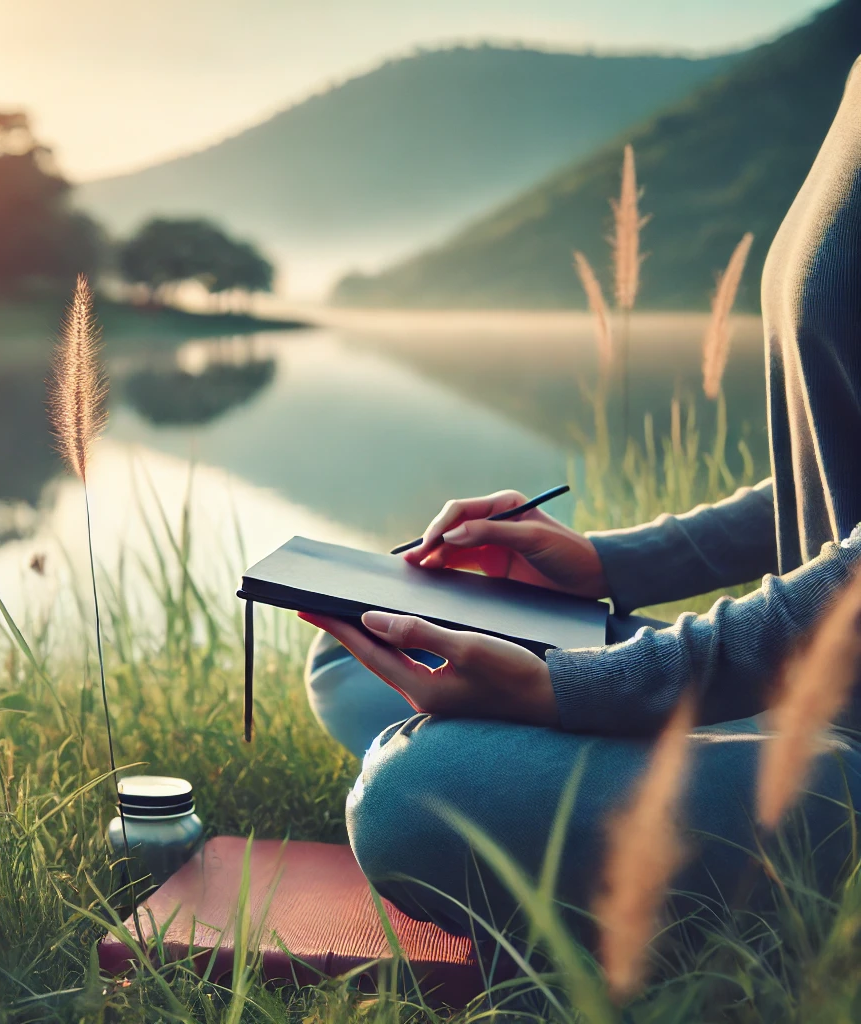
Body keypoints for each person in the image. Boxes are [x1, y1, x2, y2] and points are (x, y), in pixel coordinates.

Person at [300, 59, 861, 942]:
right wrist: (609, 562)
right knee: (351, 660)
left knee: (415, 790)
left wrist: (572, 689)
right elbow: (834, 464)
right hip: (796, 683)